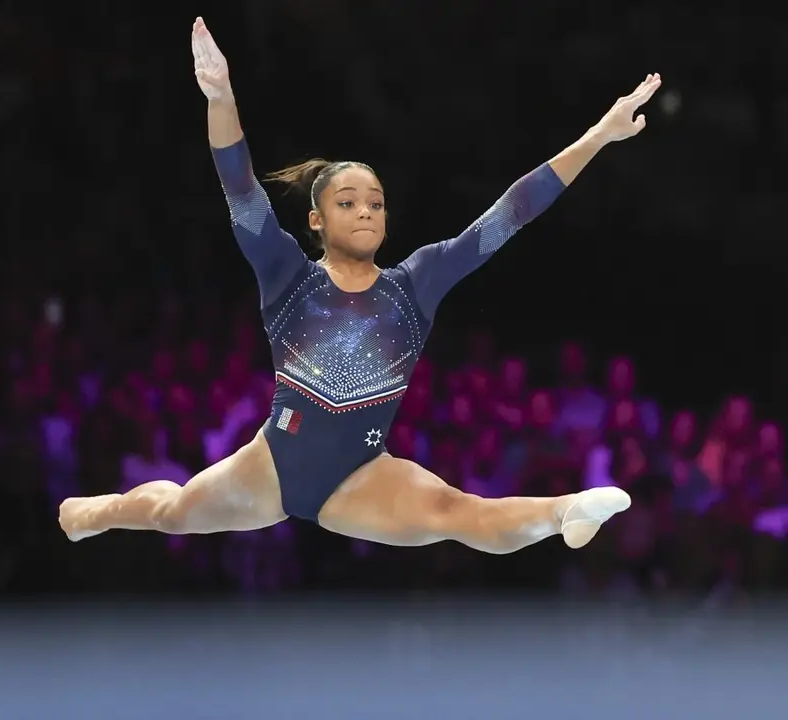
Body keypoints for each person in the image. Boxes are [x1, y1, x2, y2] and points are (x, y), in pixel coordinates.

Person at [58, 17, 662, 555]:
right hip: (272, 464)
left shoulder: (415, 284)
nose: (366, 211)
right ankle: (96, 512)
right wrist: (221, 97)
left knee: (457, 514)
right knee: (174, 514)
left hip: (361, 476)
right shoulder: (286, 274)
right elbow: (240, 187)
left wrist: (599, 136)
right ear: (317, 220)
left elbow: (511, 213)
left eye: (375, 202)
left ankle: (566, 512)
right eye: (347, 202)